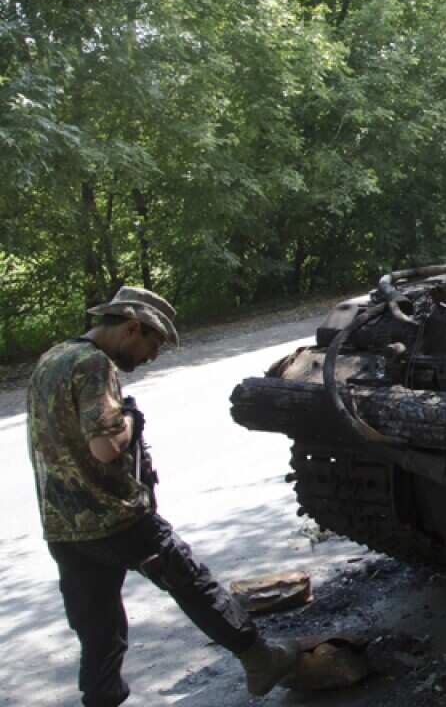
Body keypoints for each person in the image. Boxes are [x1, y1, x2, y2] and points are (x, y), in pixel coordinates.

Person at [26, 286, 297, 706]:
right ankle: (260, 659)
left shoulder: (52, 358)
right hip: (115, 518)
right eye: (153, 343)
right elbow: (104, 446)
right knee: (191, 582)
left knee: (97, 626)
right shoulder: (93, 364)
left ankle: (102, 699)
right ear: (132, 327)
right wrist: (130, 419)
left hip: (63, 527)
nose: (153, 355)